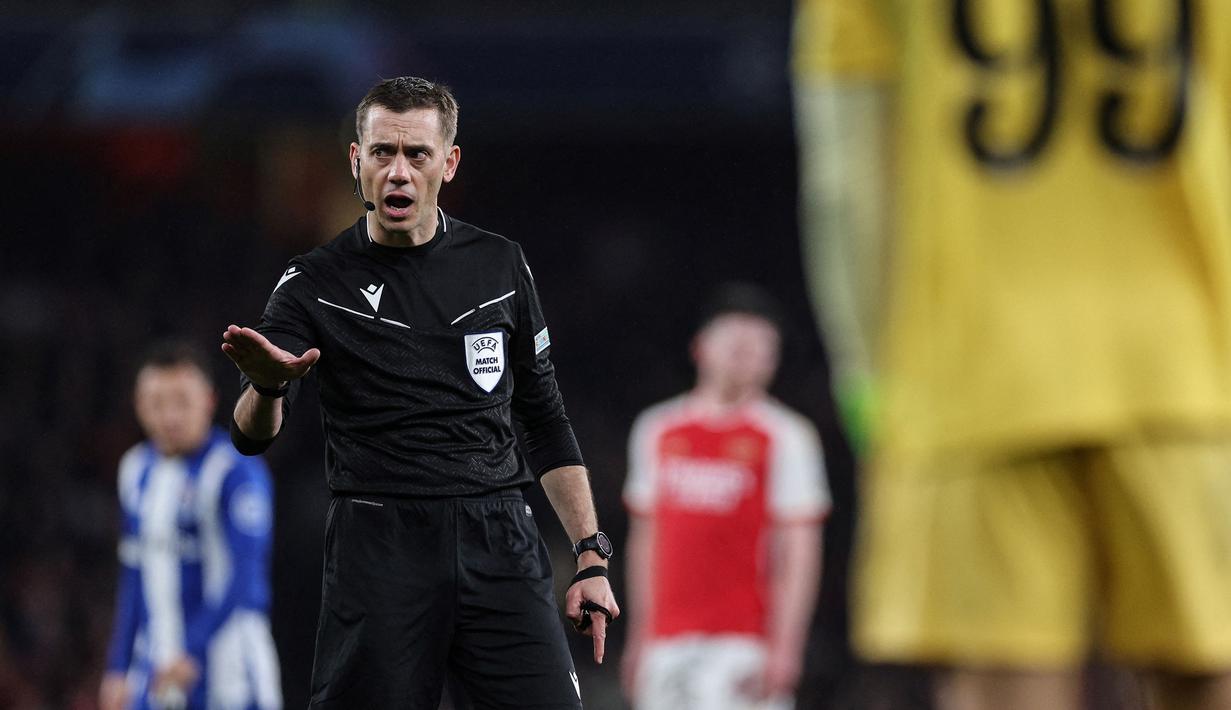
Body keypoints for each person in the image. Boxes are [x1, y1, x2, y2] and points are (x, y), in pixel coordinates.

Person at [793, 1, 1231, 709]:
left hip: (974, 372)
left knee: (1004, 676)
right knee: (1208, 666)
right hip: (1191, 367)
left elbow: (844, 184)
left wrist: (872, 387)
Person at [220, 76, 619, 709]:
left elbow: (543, 420)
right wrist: (267, 384)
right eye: (382, 153)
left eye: (417, 154)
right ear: (356, 161)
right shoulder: (311, 284)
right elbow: (250, 434)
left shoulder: (500, 266)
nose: (398, 172)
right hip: (379, 545)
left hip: (499, 539)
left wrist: (590, 557)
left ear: (449, 163)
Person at [620, 284, 830, 710]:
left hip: (745, 646)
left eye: (759, 345)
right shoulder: (657, 429)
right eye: (734, 340)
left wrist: (786, 648)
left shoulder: (788, 437)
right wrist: (638, 637)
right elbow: (647, 541)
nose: (746, 351)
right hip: (667, 643)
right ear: (700, 347)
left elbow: (800, 550)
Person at [100, 342, 282, 710]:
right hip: (158, 668)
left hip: (230, 670)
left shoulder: (236, 471)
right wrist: (117, 666)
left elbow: (245, 576)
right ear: (138, 405)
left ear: (210, 401)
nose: (169, 416)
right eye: (155, 403)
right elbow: (135, 574)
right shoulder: (135, 470)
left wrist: (193, 647)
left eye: (182, 401)